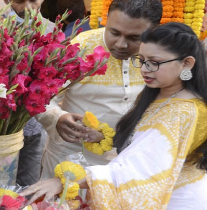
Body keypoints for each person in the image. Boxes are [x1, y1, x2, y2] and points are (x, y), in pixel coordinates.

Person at [21, 22, 207, 209]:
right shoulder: (160, 92)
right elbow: (142, 144)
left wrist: (67, 181)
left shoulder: (184, 111)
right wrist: (103, 137)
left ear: (187, 63)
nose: (144, 69)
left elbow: (139, 170)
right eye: (141, 60)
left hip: (177, 199)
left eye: (154, 62)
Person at [35, 0, 163, 179]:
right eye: (114, 32)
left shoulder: (158, 56)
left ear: (154, 31)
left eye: (134, 38)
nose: (121, 44)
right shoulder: (79, 46)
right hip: (69, 158)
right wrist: (57, 117)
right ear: (106, 20)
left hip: (126, 163)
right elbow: (41, 97)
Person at [3, 0, 54, 187]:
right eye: (19, 1)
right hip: (1, 129)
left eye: (33, 0)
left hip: (35, 126)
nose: (27, 7)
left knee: (28, 188)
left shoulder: (52, 30)